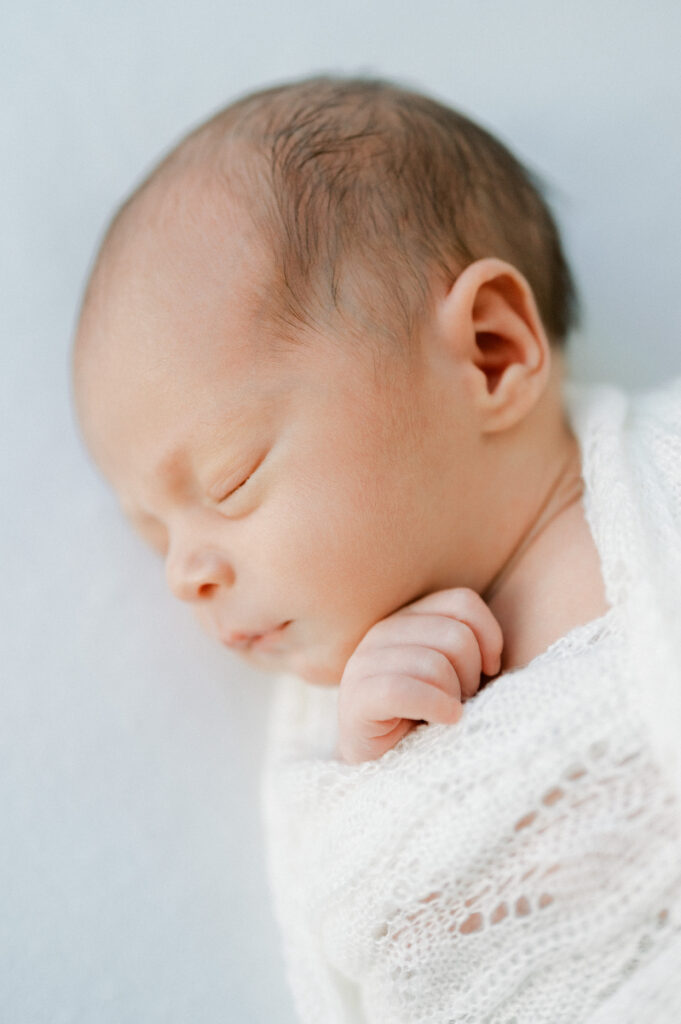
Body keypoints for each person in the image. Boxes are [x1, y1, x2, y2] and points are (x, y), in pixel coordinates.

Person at [71, 74, 681, 1022]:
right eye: (153, 535)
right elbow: (387, 935)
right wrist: (382, 775)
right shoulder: (363, 737)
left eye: (228, 480)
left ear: (489, 354)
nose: (183, 574)